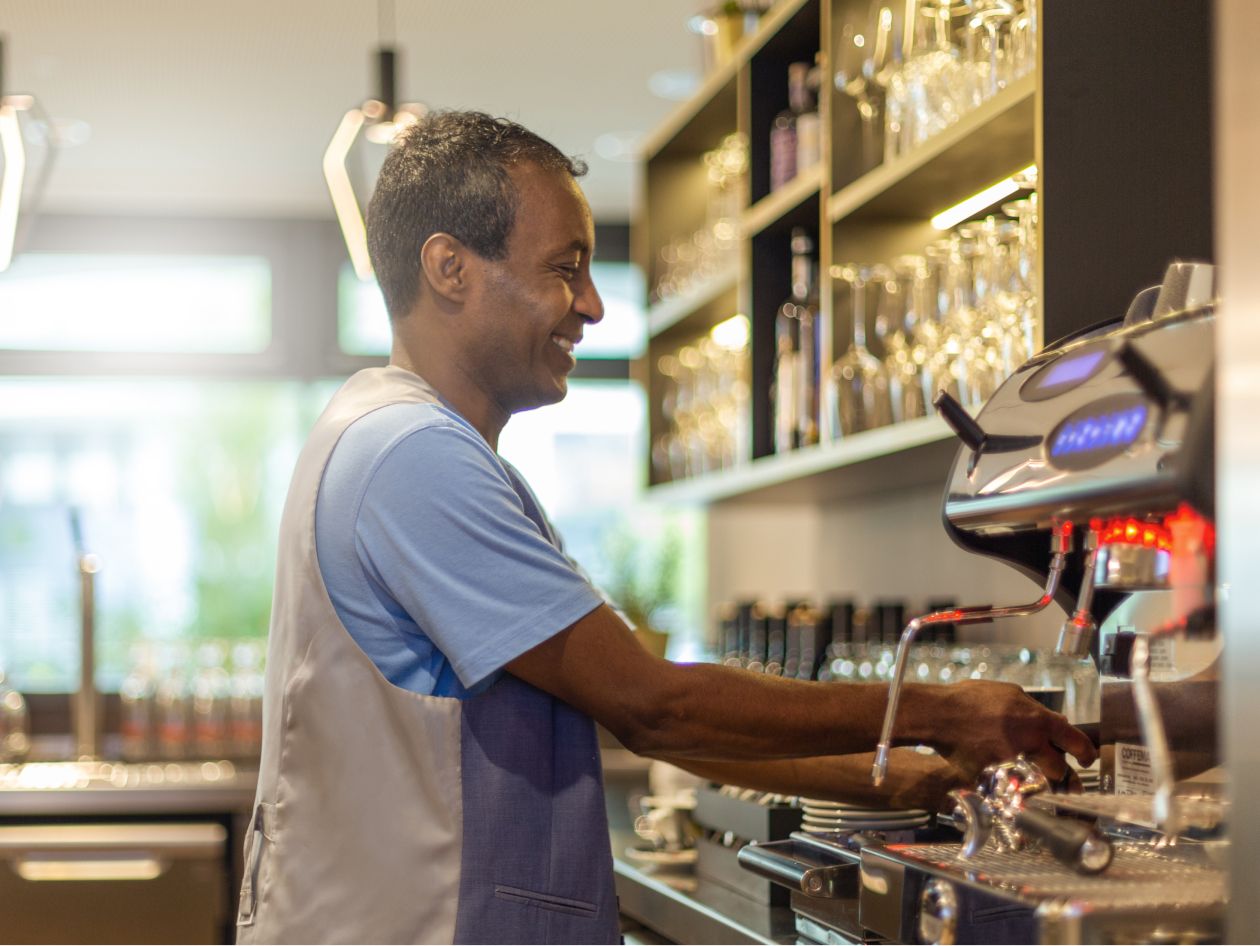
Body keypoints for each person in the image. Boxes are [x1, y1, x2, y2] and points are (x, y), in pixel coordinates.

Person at [236, 110, 1095, 945]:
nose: (594, 306)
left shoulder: (407, 442)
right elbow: (654, 707)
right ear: (450, 268)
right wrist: (938, 711)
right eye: (565, 268)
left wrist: (916, 776)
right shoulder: (412, 456)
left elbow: (660, 721)